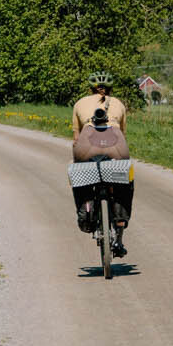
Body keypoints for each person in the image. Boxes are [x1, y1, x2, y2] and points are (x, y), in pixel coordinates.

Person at [69, 71, 134, 255]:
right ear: (110, 88)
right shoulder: (119, 104)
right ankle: (119, 232)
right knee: (125, 182)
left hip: (86, 147)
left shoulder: (80, 103)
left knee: (80, 178)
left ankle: (85, 213)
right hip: (115, 145)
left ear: (91, 88)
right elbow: (122, 133)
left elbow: (76, 138)